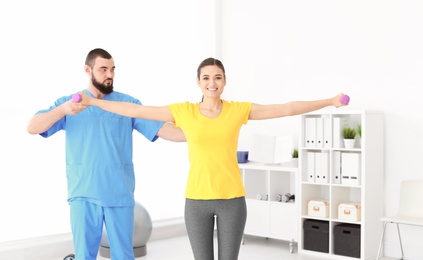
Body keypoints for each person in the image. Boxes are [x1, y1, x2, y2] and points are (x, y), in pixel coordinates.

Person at [78, 57, 347, 260]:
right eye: (206, 78)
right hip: (196, 202)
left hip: (232, 200)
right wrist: (94, 102)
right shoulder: (183, 111)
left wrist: (329, 101)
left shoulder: (238, 110)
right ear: (198, 82)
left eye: (217, 77)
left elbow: (286, 108)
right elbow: (134, 109)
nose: (212, 83)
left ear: (225, 81)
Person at [27, 48, 185, 260]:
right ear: (87, 70)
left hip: (118, 192)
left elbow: (164, 130)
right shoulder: (71, 104)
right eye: (103, 69)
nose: (109, 74)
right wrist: (62, 110)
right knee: (84, 256)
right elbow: (33, 127)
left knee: (124, 256)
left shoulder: (127, 105)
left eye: (112, 69)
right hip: (83, 193)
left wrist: (205, 130)